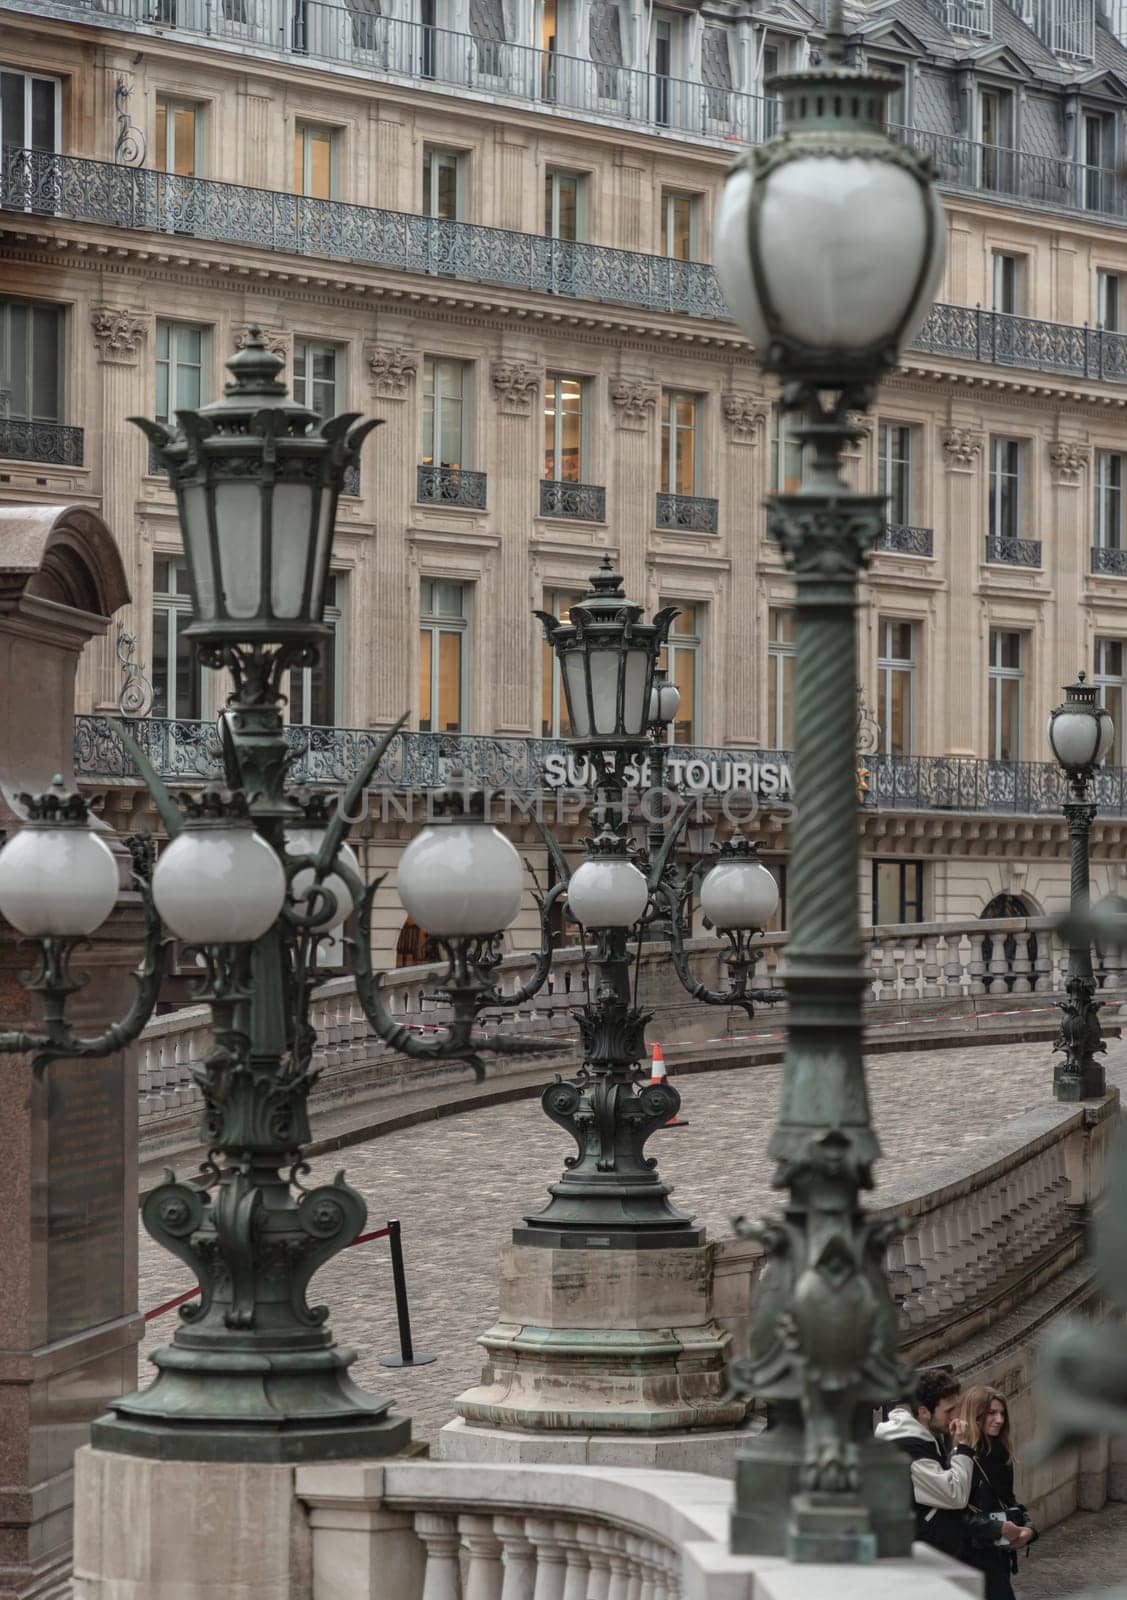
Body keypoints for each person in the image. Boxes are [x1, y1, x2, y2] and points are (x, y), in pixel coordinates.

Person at [875, 1367, 976, 1556]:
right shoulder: (911, 1450)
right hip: (921, 1554)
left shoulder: (927, 1436)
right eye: (948, 1411)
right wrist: (962, 1447)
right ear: (923, 1412)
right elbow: (955, 1494)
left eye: (956, 1408)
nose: (955, 1417)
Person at [959, 1386, 1036, 1600]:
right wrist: (998, 1527)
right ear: (975, 1415)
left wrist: (1028, 1529)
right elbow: (955, 1516)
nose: (999, 1419)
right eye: (992, 1413)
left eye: (1002, 1413)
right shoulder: (962, 1458)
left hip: (998, 1553)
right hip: (971, 1557)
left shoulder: (1000, 1453)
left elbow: (1009, 1500)